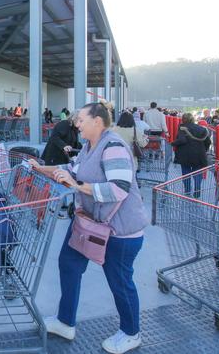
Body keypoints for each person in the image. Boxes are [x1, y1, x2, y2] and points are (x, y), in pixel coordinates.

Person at [31, 101, 148, 354]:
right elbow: (69, 169)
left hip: (120, 230)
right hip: (90, 222)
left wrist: (76, 186)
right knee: (68, 263)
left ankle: (131, 333)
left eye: (81, 120)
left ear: (98, 121)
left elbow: (118, 188)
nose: (76, 124)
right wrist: (41, 168)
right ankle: (65, 321)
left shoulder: (114, 146)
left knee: (119, 280)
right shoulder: (88, 147)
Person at [172, 113, 211, 197]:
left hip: (185, 155)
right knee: (197, 173)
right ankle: (197, 191)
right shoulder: (201, 129)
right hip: (199, 155)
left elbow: (182, 140)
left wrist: (173, 143)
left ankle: (187, 191)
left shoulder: (182, 128)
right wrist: (204, 150)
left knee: (186, 173)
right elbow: (208, 142)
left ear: (183, 119)